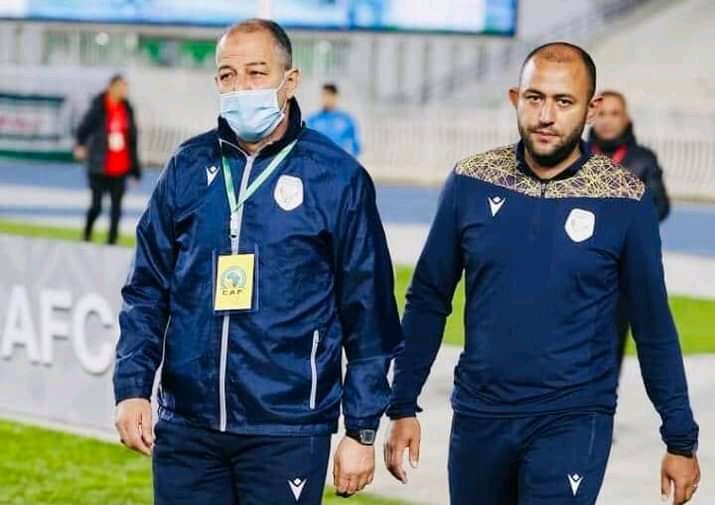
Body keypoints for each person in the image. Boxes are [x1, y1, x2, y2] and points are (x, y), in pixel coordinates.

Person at [384, 42, 700, 505]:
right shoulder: (470, 181)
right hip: (479, 415)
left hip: (573, 417)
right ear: (515, 98)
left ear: (590, 109)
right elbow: (429, 298)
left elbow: (652, 323)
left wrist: (679, 437)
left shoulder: (626, 199)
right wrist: (402, 403)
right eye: (535, 98)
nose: (546, 116)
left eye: (564, 101)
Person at [113, 19, 402, 505]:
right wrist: (132, 388)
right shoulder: (187, 166)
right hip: (188, 427)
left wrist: (362, 429)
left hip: (287, 429)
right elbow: (146, 289)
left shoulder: (337, 178)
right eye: (228, 75)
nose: (241, 88)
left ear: (290, 81)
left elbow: (368, 312)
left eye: (256, 73)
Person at [590, 90, 672, 373]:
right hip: (575, 266)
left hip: (621, 271)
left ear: (626, 119)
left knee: (609, 353)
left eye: (614, 113)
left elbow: (660, 206)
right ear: (591, 117)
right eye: (601, 113)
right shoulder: (576, 156)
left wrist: (623, 226)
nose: (607, 120)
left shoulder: (643, 160)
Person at [75, 74, 141, 245]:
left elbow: (132, 140)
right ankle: (87, 233)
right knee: (96, 206)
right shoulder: (98, 107)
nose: (123, 91)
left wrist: (135, 170)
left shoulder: (127, 109)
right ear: (111, 87)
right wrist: (80, 145)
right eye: (120, 87)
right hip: (99, 165)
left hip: (120, 166)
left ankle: (112, 242)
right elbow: (84, 128)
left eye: (125, 88)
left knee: (116, 208)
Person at [306, 83, 362, 157]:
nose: (326, 99)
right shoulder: (313, 120)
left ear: (335, 96)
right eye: (323, 95)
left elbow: (355, 147)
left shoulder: (346, 121)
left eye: (329, 95)